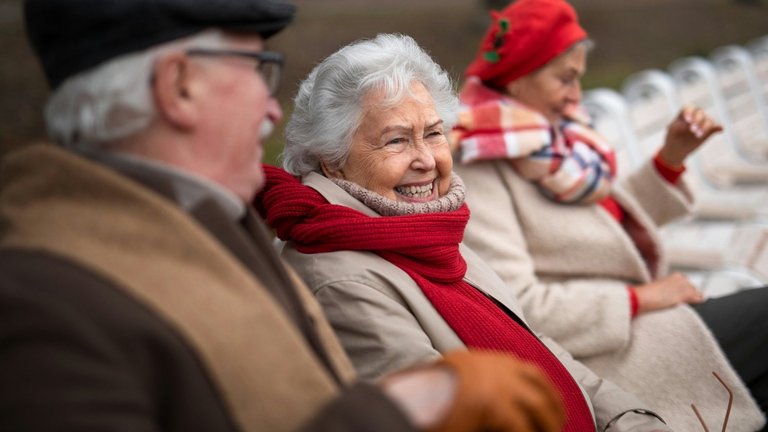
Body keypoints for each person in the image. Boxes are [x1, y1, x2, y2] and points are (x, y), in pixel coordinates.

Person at [0, 1, 574, 431]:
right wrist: (402, 410)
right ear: (179, 86)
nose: (272, 107)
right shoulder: (39, 300)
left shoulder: (214, 219)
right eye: (257, 69)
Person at [256, 32, 680, 432]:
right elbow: (450, 419)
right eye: (396, 141)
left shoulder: (429, 230)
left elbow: (538, 346)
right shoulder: (338, 276)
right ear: (331, 160)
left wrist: (630, 419)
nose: (426, 159)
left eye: (434, 134)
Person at [451, 0, 768, 430]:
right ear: (519, 76)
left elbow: (604, 226)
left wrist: (670, 160)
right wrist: (641, 299)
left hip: (636, 325)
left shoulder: (549, 140)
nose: (576, 95)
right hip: (605, 354)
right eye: (565, 78)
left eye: (579, 78)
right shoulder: (480, 163)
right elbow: (518, 308)